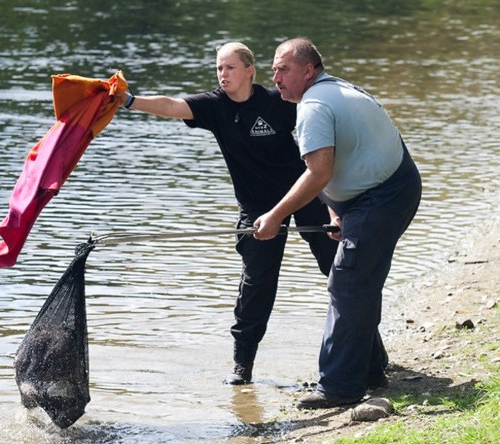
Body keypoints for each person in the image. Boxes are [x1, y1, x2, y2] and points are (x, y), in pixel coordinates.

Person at [118, 42, 338, 385]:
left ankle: (370, 352)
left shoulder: (277, 102)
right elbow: (171, 106)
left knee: (337, 271)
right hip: (257, 208)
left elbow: (322, 132)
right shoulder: (214, 106)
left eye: (230, 68)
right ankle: (243, 368)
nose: (223, 75)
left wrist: (335, 205)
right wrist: (129, 101)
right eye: (219, 68)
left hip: (304, 196)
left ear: (250, 71)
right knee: (257, 285)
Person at [254, 38, 422, 409]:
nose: (275, 77)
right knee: (358, 279)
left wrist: (275, 216)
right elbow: (346, 157)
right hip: (390, 186)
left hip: (382, 196)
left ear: (309, 71)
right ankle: (372, 369)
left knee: (347, 283)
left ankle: (339, 387)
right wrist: (336, 212)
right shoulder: (335, 88)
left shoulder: (314, 106)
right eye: (274, 69)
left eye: (284, 69)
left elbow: (319, 172)